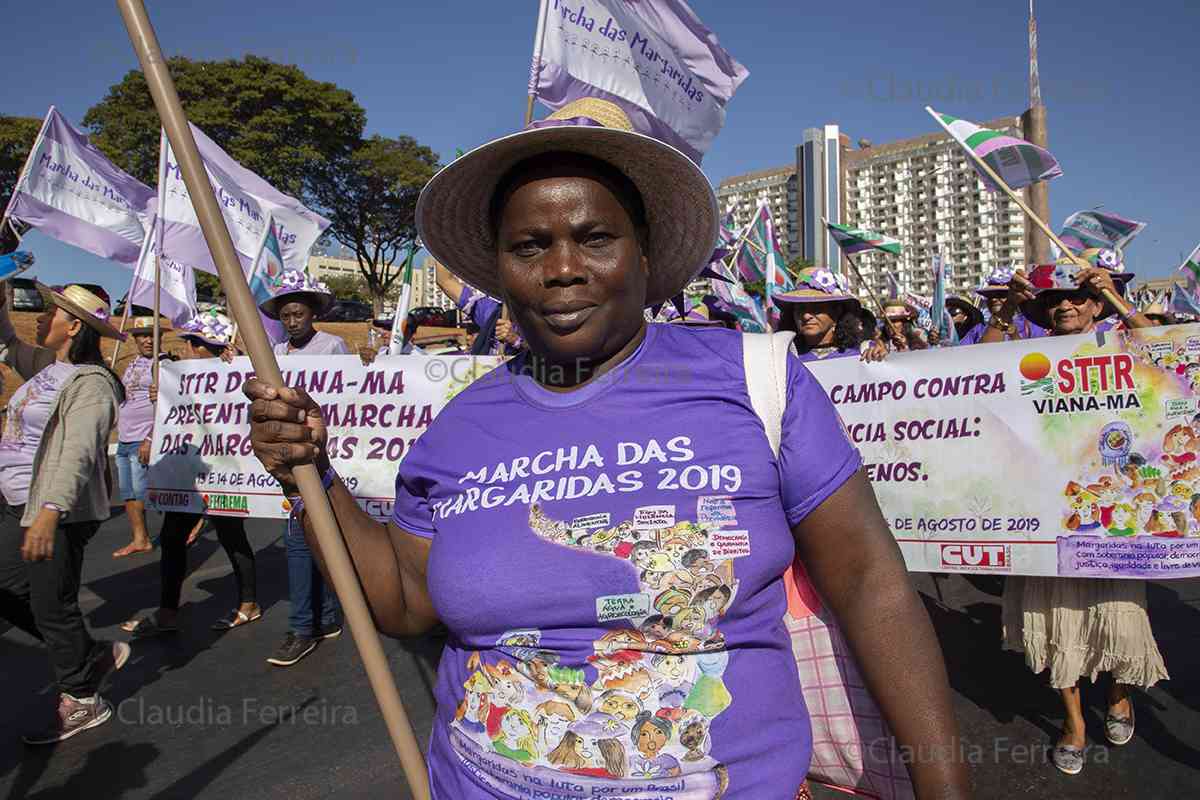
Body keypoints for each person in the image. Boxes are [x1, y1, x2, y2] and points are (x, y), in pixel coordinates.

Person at [245, 97, 969, 799]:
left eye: (595, 238)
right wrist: (311, 475)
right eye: (530, 246)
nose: (563, 267)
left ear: (645, 255)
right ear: (499, 272)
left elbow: (871, 583)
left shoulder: (756, 381)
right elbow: (404, 605)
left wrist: (942, 784)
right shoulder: (457, 429)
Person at [990, 253, 1165, 775]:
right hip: (1046, 506)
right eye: (1053, 298)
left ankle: (1117, 694)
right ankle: (1074, 723)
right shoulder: (1029, 351)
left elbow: (1171, 352)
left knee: (1118, 617)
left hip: (1112, 507)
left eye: (1078, 296)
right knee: (1055, 618)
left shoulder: (1122, 343)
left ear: (1094, 304)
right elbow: (973, 371)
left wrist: (1114, 296)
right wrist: (1006, 312)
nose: (1066, 304)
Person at [0, 283, 131, 744]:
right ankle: (86, 653)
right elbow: (6, 344)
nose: (38, 317)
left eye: (50, 312)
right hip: (12, 502)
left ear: (74, 326)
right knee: (17, 592)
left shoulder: (92, 384)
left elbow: (77, 451)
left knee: (51, 604)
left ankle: (82, 698)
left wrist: (50, 511)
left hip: (54, 510)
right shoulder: (46, 368)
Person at [119, 311, 261, 637]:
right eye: (189, 342)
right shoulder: (178, 374)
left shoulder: (236, 374)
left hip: (225, 470)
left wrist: (235, 362)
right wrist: (164, 398)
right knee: (171, 538)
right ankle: (168, 609)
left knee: (231, 536)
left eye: (196, 344)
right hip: (188, 471)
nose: (188, 349)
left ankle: (249, 603)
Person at [259, 270, 346, 666]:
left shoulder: (334, 347)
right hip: (290, 461)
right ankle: (308, 623)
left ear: (312, 313)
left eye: (298, 314)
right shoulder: (275, 354)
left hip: (326, 453)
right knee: (300, 538)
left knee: (320, 539)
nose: (292, 322)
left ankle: (313, 623)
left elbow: (354, 395)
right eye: (286, 316)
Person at [112, 315, 170, 558]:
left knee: (144, 491)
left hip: (144, 437)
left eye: (152, 335)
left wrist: (150, 437)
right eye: (143, 335)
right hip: (124, 437)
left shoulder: (164, 364)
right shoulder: (133, 363)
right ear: (135, 339)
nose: (148, 340)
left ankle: (188, 522)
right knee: (128, 492)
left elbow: (168, 406)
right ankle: (140, 538)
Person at [771, 267, 886, 362]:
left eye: (816, 308)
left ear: (837, 312)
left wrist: (881, 357)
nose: (806, 316)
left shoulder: (864, 353)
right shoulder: (783, 360)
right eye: (800, 308)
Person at [435, 261, 523, 355]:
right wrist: (444, 247)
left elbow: (539, 354)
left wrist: (516, 340)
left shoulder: (538, 320)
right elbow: (445, 281)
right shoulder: (493, 312)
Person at [958, 267, 1046, 344]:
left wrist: (1014, 336)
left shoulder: (1032, 327)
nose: (994, 299)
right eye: (990, 295)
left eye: (1001, 294)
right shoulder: (978, 330)